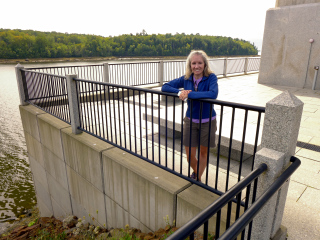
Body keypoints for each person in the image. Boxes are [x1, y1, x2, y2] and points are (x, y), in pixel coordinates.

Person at [161, 50, 218, 182]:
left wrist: (189, 94)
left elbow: (213, 94)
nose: (196, 66)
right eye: (193, 63)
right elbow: (165, 87)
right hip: (190, 121)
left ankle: (197, 177)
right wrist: (179, 92)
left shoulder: (211, 77)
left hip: (208, 121)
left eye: (199, 63)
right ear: (190, 65)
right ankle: (197, 174)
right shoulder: (186, 78)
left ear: (204, 64)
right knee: (189, 156)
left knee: (203, 152)